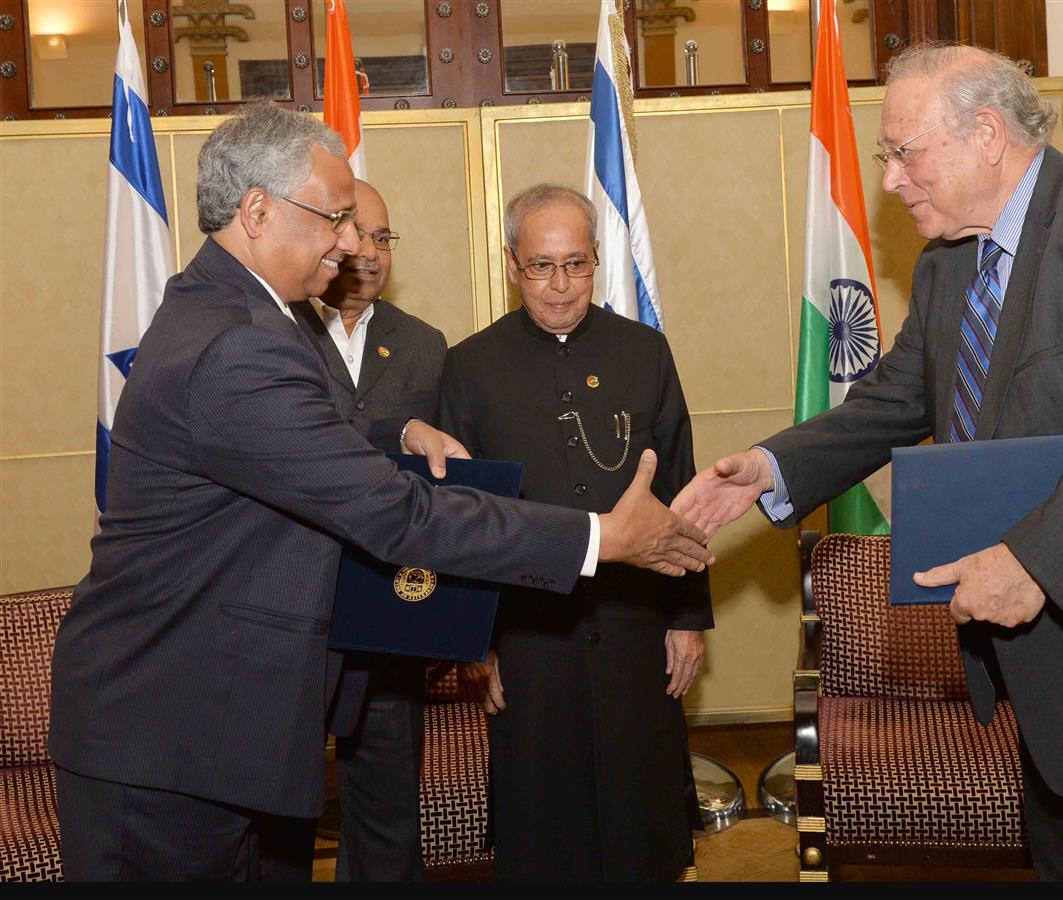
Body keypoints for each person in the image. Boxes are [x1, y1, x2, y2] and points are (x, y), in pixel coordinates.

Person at [673, 44, 1063, 882]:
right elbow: (895, 398)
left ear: (985, 133)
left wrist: (1036, 561)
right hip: (1050, 688)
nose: (892, 180)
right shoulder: (948, 263)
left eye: (904, 152)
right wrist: (770, 467)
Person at [48, 102, 712, 882]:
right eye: (333, 217)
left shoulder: (233, 314)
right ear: (257, 212)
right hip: (171, 739)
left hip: (210, 729)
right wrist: (601, 537)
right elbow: (394, 514)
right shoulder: (238, 343)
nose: (349, 241)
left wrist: (396, 434)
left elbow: (280, 447)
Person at [439, 185, 711, 882]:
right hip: (530, 640)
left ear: (597, 261)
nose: (561, 285)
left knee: (641, 823)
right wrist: (478, 644)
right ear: (511, 263)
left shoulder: (645, 352)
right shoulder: (469, 368)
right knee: (544, 835)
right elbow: (460, 520)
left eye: (577, 264)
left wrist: (687, 617)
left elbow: (683, 489)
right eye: (541, 266)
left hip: (634, 628)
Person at [290, 179, 440, 881]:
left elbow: (443, 490)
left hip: (389, 608)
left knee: (386, 808)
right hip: (291, 609)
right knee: (277, 809)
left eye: (385, 238)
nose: (372, 254)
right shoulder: (276, 332)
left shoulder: (425, 345)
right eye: (361, 235)